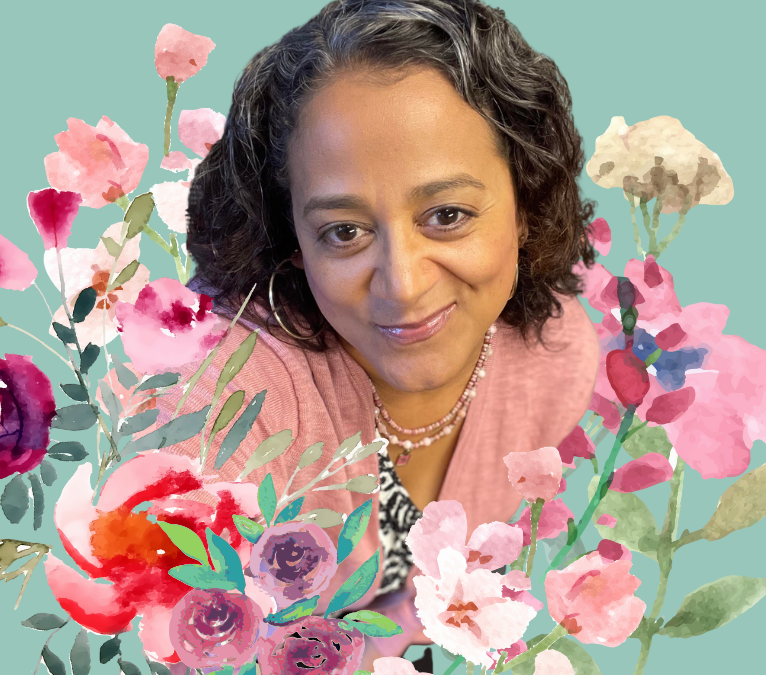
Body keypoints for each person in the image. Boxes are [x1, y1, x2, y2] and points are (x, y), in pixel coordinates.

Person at [156, 0, 601, 667]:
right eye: (345, 232)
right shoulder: (224, 403)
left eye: (447, 214)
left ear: (527, 204)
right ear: (293, 243)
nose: (403, 283)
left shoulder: (554, 358)